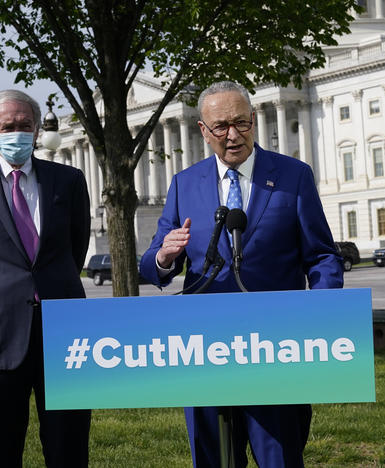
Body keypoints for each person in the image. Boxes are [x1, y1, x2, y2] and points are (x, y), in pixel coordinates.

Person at [139, 81, 343, 467]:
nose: (232, 135)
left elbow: (321, 257)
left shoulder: (292, 176)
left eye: (240, 123)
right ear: (203, 130)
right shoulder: (184, 183)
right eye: (220, 126)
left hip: (277, 350)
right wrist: (165, 255)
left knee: (279, 458)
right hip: (204, 352)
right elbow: (153, 266)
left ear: (253, 119)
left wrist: (323, 310)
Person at [0, 89, 91, 467]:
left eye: (26, 125)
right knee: (3, 448)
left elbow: (76, 248)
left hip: (63, 332)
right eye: (9, 126)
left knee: (69, 445)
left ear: (38, 129)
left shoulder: (69, 180)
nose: (18, 132)